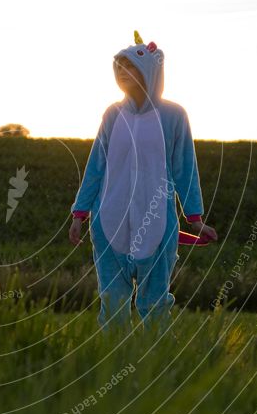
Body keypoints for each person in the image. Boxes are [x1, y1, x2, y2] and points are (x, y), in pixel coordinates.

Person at [68, 31, 217, 329]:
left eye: (131, 68)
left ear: (150, 72)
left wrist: (195, 218)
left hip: (158, 223)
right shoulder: (112, 115)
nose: (123, 74)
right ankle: (110, 362)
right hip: (109, 221)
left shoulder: (174, 116)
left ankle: (159, 362)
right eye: (119, 68)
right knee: (112, 301)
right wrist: (80, 214)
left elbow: (185, 167)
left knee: (155, 302)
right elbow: (96, 165)